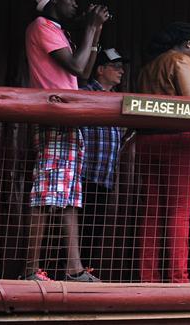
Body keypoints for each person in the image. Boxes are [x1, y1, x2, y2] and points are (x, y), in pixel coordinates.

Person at [24, 0, 109, 282]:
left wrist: (95, 31)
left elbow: (84, 71)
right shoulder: (41, 27)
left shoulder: (59, 31)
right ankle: (30, 270)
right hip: (55, 118)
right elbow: (75, 66)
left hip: (68, 120)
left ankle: (74, 268)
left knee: (70, 197)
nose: (75, 2)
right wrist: (88, 29)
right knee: (46, 195)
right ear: (54, 1)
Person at [136, 22, 190, 283]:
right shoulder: (181, 60)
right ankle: (178, 277)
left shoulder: (147, 68)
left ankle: (149, 277)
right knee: (179, 211)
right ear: (189, 44)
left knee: (152, 212)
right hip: (180, 141)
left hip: (147, 141)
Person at [79, 48, 129, 280]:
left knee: (93, 230)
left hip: (103, 177)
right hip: (84, 174)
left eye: (121, 66)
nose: (121, 70)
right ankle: (68, 272)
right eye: (115, 66)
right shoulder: (86, 93)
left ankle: (87, 271)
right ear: (100, 70)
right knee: (77, 228)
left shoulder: (118, 99)